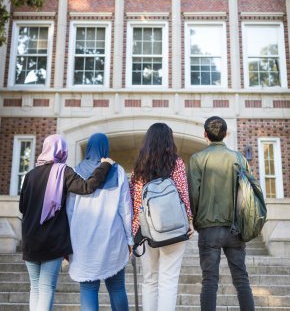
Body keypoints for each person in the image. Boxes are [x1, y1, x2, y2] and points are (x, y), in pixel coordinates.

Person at [19, 134, 114, 311]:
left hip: (30, 239)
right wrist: (105, 165)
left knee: (35, 287)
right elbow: (87, 187)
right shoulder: (63, 171)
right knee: (47, 287)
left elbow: (22, 207)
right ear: (61, 151)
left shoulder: (30, 175)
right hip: (52, 240)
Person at [187, 116, 255, 311]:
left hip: (208, 229)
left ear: (205, 134)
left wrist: (193, 221)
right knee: (242, 280)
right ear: (225, 134)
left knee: (209, 282)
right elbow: (248, 193)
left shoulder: (197, 159)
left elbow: (194, 195)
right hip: (235, 228)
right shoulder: (239, 158)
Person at [130, 122, 194, 311]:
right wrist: (189, 221)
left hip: (144, 230)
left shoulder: (139, 165)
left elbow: (134, 200)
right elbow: (183, 194)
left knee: (149, 281)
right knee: (169, 280)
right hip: (174, 228)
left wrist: (133, 229)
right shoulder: (177, 162)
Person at [66, 133, 133, 311]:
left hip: (83, 240)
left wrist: (68, 241)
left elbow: (70, 211)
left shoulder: (75, 171)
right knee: (117, 288)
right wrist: (130, 239)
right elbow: (125, 208)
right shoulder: (117, 171)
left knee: (88, 288)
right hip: (113, 238)